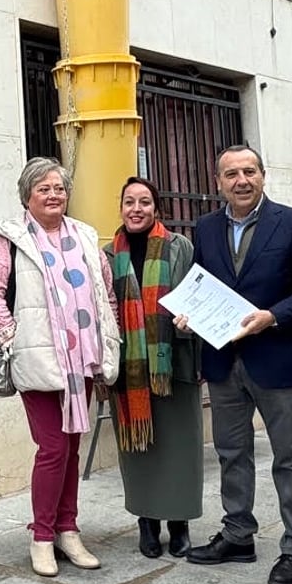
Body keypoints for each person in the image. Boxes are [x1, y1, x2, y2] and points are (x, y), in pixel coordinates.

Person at [179, 145, 292, 584]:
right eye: (231, 174)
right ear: (218, 182)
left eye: (249, 171)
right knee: (231, 452)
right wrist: (189, 314)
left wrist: (274, 316)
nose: (241, 181)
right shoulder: (206, 227)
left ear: (263, 175)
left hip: (275, 358)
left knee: (290, 457)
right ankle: (238, 534)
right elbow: (200, 285)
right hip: (223, 361)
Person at [0, 158, 120, 577]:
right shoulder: (11, 239)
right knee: (53, 449)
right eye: (44, 188)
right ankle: (42, 535)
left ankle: (68, 529)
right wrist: (10, 335)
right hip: (39, 358)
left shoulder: (85, 236)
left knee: (72, 448)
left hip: (83, 360)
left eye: (59, 188)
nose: (53, 195)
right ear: (27, 196)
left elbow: (105, 292)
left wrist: (108, 341)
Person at [102, 176, 200, 559]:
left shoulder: (180, 247)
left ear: (156, 208)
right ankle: (147, 521)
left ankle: (179, 523)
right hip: (129, 371)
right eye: (129, 202)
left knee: (179, 448)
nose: (136, 209)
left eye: (144, 202)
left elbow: (196, 296)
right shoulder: (107, 255)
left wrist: (191, 321)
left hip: (173, 363)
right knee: (140, 450)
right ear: (121, 208)